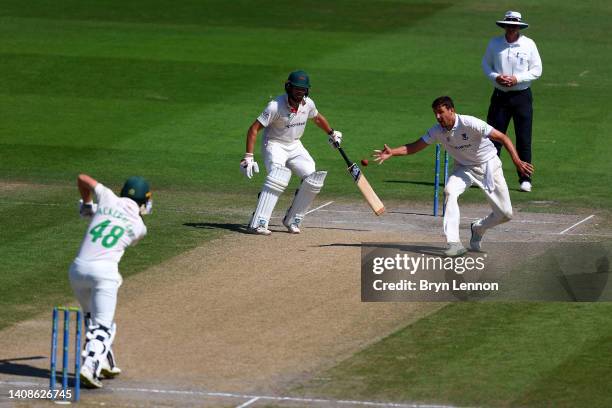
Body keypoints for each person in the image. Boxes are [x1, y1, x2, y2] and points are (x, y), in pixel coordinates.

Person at [373, 96, 533, 256]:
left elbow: (502, 137)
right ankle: (454, 243)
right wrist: (392, 152)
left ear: (451, 110)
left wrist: (517, 161)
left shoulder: (470, 123)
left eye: (441, 112)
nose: (438, 117)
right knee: (449, 191)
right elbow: (415, 146)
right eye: (435, 113)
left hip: (488, 165)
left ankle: (478, 228)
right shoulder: (437, 130)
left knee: (505, 214)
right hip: (463, 167)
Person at [70, 174, 152, 388]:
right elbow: (118, 224)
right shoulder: (140, 228)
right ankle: (89, 367)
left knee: (91, 317)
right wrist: (95, 211)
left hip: (77, 270)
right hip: (104, 274)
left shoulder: (107, 197)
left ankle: (105, 362)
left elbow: (82, 178)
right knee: (104, 327)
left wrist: (88, 205)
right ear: (144, 201)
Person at [241, 70, 342, 235]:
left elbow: (317, 118)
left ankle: (292, 219)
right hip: (274, 144)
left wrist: (331, 133)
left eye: (302, 89)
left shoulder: (308, 104)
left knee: (313, 178)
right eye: (296, 88)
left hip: (295, 145)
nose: (299, 92)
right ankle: (257, 222)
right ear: (289, 87)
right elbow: (253, 129)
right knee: (277, 177)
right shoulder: (275, 106)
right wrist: (248, 157)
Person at [482, 10, 542, 192]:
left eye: (514, 26)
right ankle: (491, 177)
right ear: (505, 26)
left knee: (523, 138)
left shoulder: (528, 44)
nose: (511, 29)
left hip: (521, 96)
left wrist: (517, 79)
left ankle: (525, 178)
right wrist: (496, 77)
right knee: (493, 138)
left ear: (519, 27)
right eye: (509, 25)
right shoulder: (495, 43)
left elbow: (537, 70)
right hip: (500, 96)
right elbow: (486, 65)